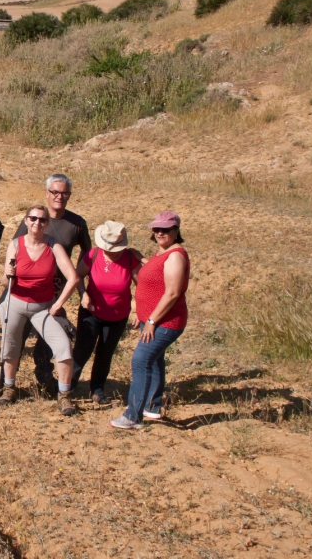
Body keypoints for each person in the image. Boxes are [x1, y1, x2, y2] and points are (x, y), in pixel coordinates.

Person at [10, 173, 91, 395]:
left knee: (52, 335)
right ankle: (7, 384)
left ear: (69, 195)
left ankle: (44, 378)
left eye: (64, 193)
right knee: (17, 335)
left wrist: (80, 281)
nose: (59, 196)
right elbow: (15, 247)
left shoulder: (77, 223)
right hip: (26, 288)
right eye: (55, 192)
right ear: (47, 193)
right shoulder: (35, 218)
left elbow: (87, 253)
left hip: (55, 290)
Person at [0, 205, 81, 415]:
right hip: (15, 302)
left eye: (42, 220)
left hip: (43, 307)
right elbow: (3, 282)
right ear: (26, 221)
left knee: (63, 347)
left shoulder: (54, 246)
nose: (37, 223)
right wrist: (7, 274)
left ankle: (64, 396)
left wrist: (58, 304)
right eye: (33, 218)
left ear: (47, 224)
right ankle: (9, 388)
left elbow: (73, 278)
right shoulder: (15, 244)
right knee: (11, 347)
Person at [111, 212, 189, 430]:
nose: (160, 233)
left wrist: (153, 319)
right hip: (153, 319)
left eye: (166, 229)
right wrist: (141, 257)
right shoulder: (164, 253)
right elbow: (156, 274)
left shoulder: (175, 255)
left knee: (141, 361)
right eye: (156, 229)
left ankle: (133, 415)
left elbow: (172, 293)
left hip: (165, 322)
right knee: (154, 361)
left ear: (176, 231)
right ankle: (152, 407)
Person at [72, 221, 142, 405]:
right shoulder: (93, 254)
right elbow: (77, 275)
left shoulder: (129, 259)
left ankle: (98, 389)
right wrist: (83, 293)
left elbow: (142, 286)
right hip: (91, 312)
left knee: (105, 353)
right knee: (82, 351)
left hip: (117, 317)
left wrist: (140, 309)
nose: (111, 250)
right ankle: (68, 386)